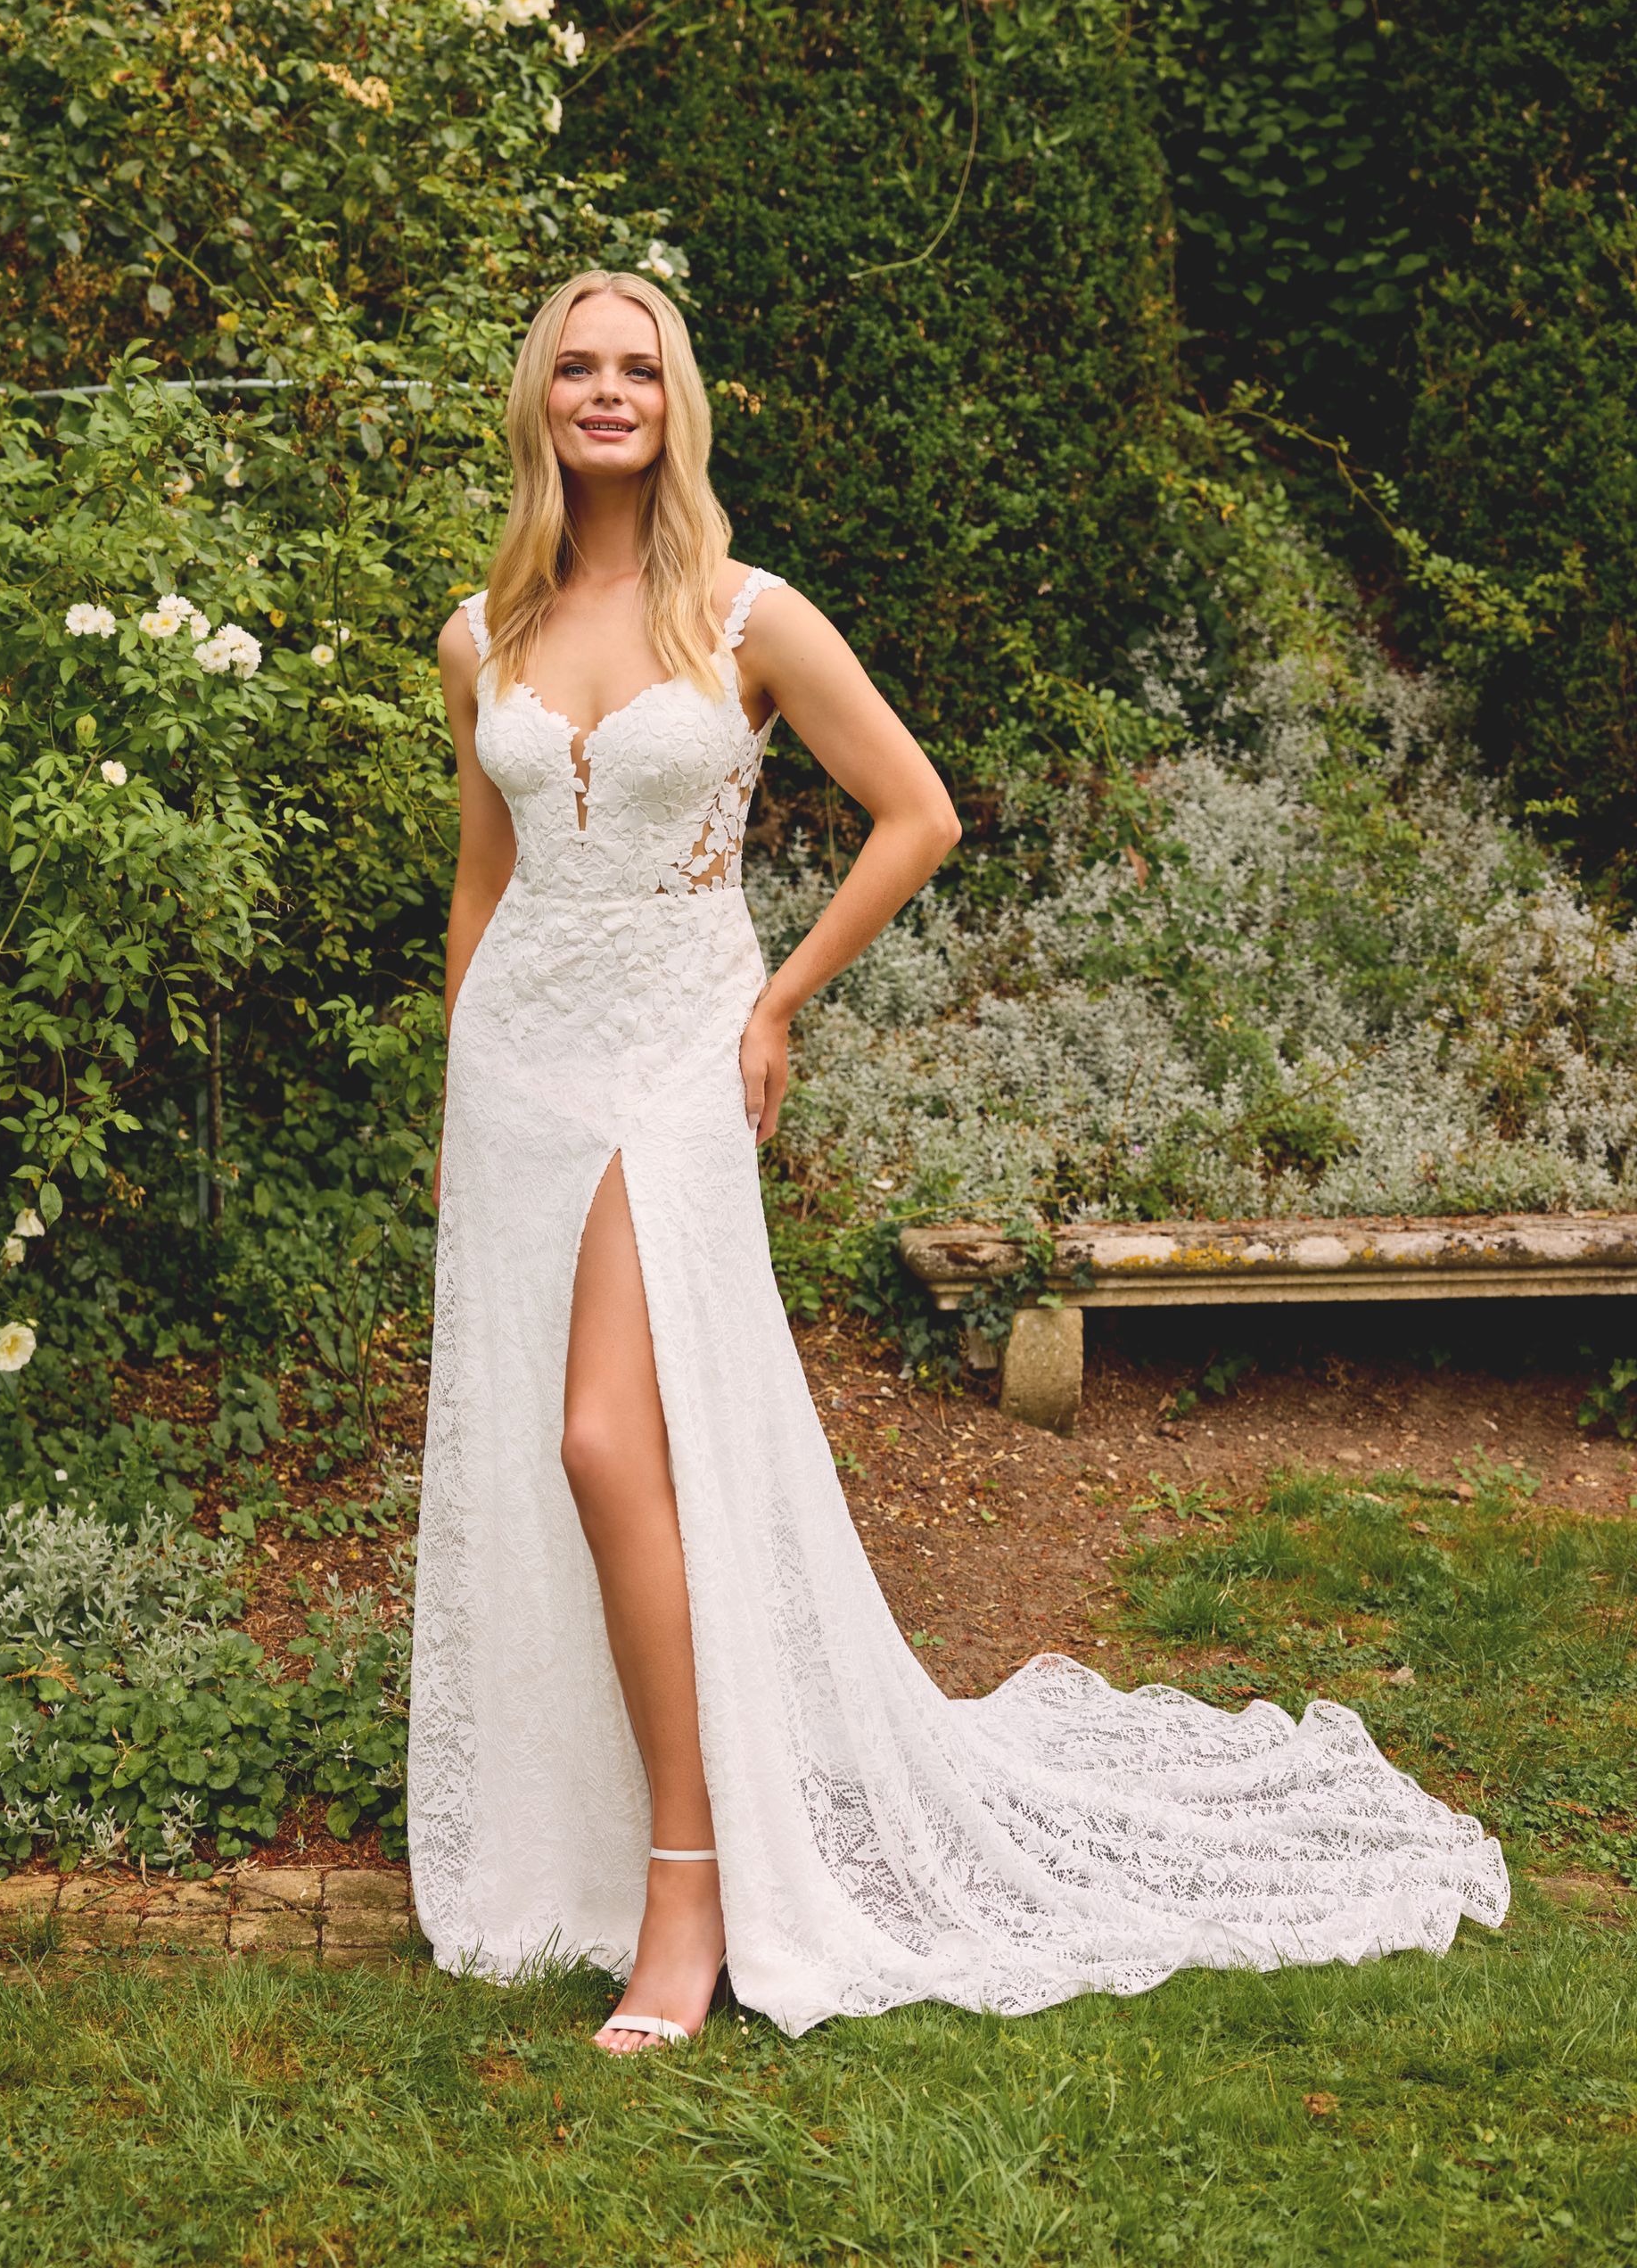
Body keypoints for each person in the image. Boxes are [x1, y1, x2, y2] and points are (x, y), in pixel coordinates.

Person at [408, 268, 1509, 2052]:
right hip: (521, 1070)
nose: (606, 393)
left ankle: (689, 1895)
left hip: (669, 1066)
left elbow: (913, 812)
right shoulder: (485, 636)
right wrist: (456, 1110)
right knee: (561, 1467)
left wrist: (776, 1002)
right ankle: (614, 1842)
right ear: (538, 402)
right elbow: (485, 881)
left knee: (609, 1440)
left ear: (678, 405)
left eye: (640, 368)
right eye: (576, 368)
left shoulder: (748, 613)